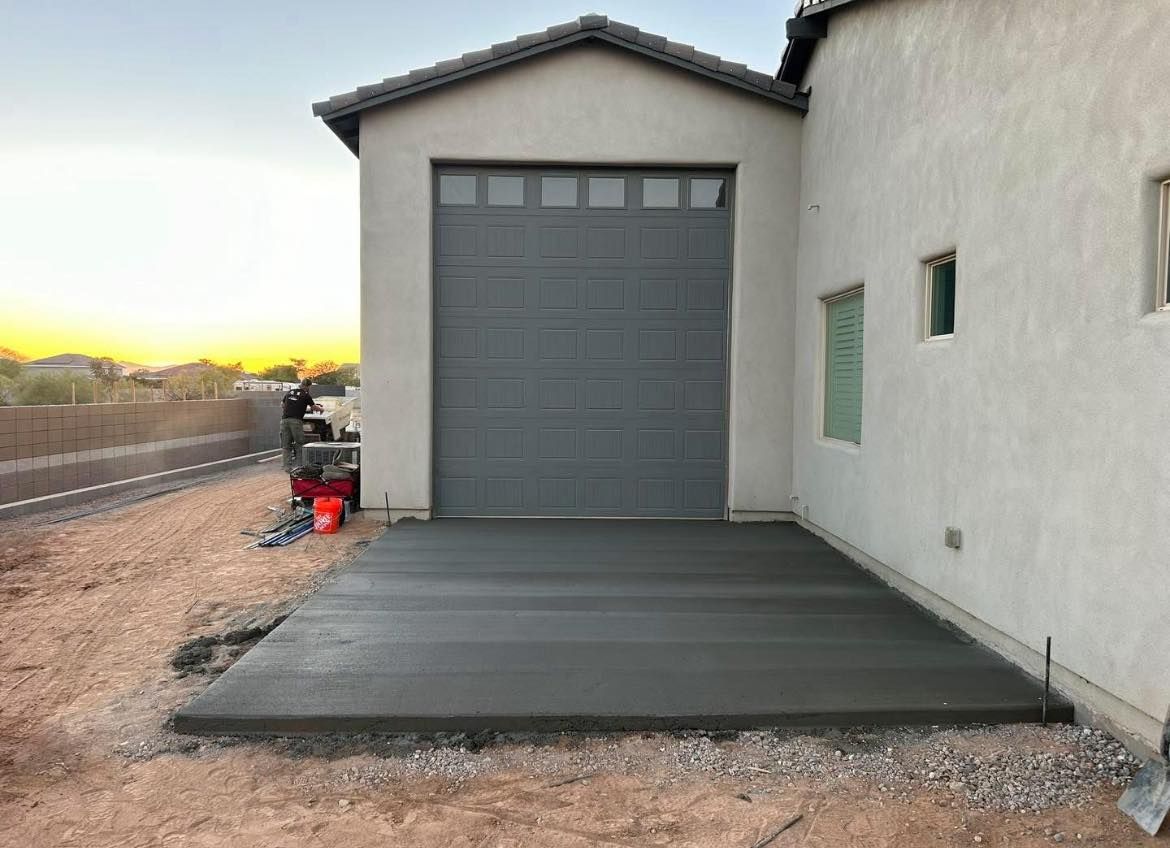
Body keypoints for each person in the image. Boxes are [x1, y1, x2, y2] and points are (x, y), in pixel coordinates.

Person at [280, 379, 323, 472]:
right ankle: (300, 466)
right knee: (299, 443)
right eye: (309, 387)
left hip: (284, 420)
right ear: (307, 386)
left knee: (286, 445)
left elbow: (282, 404)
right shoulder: (306, 395)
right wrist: (321, 409)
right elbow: (313, 407)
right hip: (296, 421)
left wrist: (292, 408)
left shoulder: (290, 392)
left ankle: (287, 467)